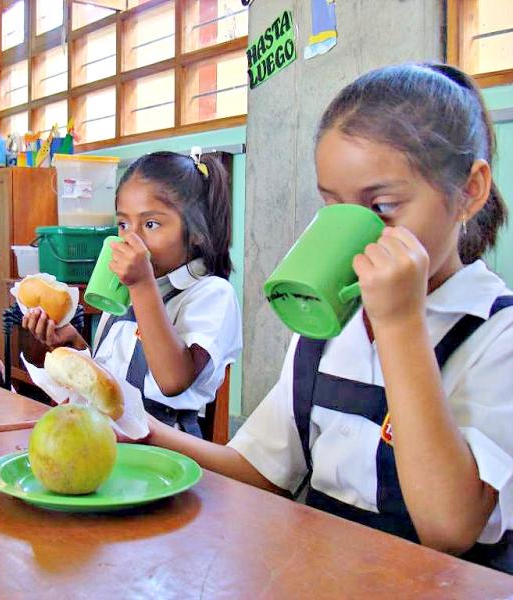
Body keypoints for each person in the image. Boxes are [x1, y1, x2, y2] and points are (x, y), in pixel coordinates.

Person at [142, 64, 513, 573]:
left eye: (382, 207)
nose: (354, 233)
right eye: (333, 207)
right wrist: (142, 431)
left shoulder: (496, 334)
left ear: (469, 191)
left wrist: (399, 324)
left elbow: (449, 528)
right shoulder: (330, 330)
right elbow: (263, 469)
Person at [23, 150, 243, 437]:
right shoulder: (125, 289)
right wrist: (73, 344)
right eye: (123, 224)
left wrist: (142, 285)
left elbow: (172, 381)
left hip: (165, 448)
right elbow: (113, 377)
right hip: (105, 433)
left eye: (151, 224)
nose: (131, 238)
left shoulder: (212, 294)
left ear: (198, 232)